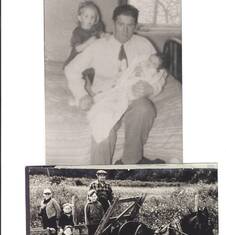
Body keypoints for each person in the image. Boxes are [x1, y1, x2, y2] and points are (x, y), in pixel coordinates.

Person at [64, 4, 165, 164]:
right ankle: (100, 175)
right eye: (120, 24)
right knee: (102, 127)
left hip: (133, 96)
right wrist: (81, 95)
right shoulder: (98, 45)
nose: (125, 30)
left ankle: (130, 163)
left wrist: (151, 87)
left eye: (130, 25)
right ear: (113, 23)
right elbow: (71, 70)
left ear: (135, 26)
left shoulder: (144, 44)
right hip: (106, 98)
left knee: (145, 108)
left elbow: (159, 73)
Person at [64, 1, 106, 106]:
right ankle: (77, 97)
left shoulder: (95, 28)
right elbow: (77, 48)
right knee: (76, 80)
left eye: (93, 17)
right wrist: (89, 42)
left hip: (92, 60)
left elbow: (101, 34)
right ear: (80, 18)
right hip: (77, 59)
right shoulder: (77, 32)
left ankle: (91, 94)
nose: (89, 20)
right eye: (86, 16)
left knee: (91, 81)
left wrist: (104, 35)